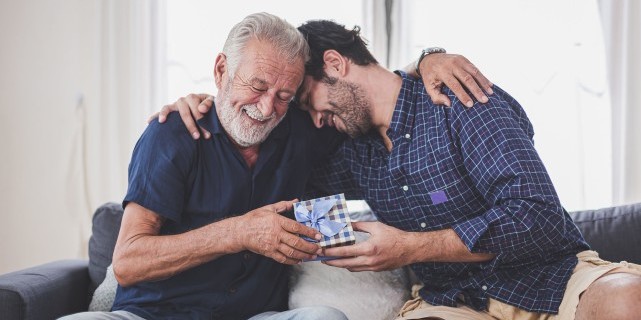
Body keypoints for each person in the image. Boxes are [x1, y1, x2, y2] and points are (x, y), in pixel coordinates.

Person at [168, 20, 641, 320]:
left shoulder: (458, 98)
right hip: (450, 303)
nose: (314, 120)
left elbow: (535, 216)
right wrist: (212, 102)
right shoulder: (348, 151)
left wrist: (410, 247)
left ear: (336, 63)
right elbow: (269, 169)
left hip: (549, 278)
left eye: (310, 101)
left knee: (627, 298)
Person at [61, 12, 493, 320]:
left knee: (324, 317)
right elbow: (129, 262)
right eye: (257, 85)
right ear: (221, 70)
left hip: (255, 316)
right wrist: (239, 231)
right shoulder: (174, 134)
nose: (267, 108)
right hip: (154, 314)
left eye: (286, 95)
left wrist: (425, 60)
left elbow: (367, 92)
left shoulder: (300, 129)